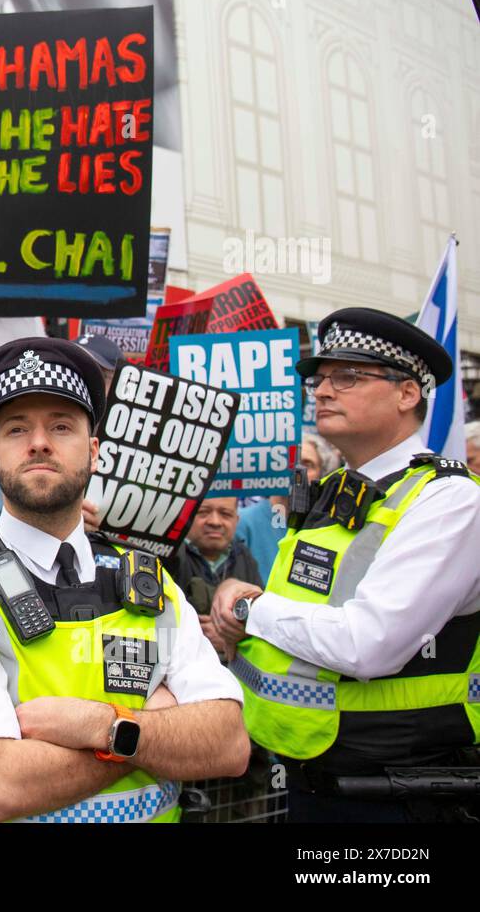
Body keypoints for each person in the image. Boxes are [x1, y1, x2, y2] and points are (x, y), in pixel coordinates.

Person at [0, 338, 250, 823]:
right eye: (17, 428)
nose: (39, 442)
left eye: (60, 427)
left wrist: (101, 726)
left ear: (94, 452)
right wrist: (157, 727)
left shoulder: (151, 581)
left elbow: (228, 745)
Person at [211, 308, 480, 822]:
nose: (323, 390)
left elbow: (368, 644)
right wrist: (239, 631)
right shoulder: (339, 491)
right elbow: (302, 617)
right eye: (320, 377)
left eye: (348, 376)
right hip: (305, 777)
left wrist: (251, 609)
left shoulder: (448, 501)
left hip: (395, 794)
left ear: (408, 393)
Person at [235, 434, 334, 581]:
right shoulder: (243, 522)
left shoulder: (327, 528)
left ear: (322, 474)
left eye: (307, 464)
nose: (298, 471)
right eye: (291, 462)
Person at [165, 497, 263, 624]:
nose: (215, 522)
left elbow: (258, 617)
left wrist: (233, 636)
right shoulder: (169, 556)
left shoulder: (244, 557)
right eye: (203, 512)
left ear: (236, 520)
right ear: (186, 515)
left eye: (225, 514)